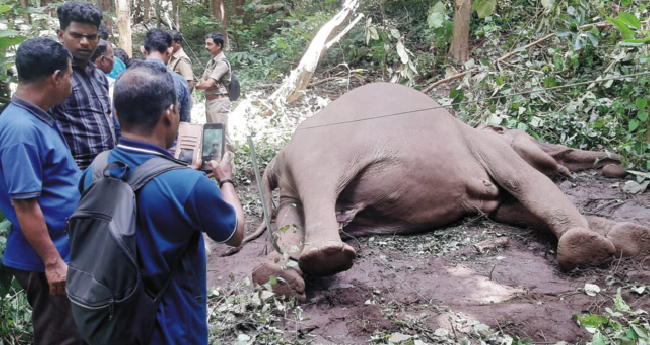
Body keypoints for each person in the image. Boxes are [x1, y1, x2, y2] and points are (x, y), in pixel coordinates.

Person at [79, 63, 245, 344]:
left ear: (116, 115)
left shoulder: (94, 170)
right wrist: (225, 181)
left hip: (111, 320)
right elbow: (234, 234)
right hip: (172, 326)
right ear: (170, 113)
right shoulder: (190, 185)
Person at [0, 38, 85, 345]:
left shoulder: (37, 117)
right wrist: (52, 263)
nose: (73, 80)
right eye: (71, 73)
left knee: (76, 332)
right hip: (47, 259)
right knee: (61, 336)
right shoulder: (21, 130)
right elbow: (24, 204)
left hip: (64, 250)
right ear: (56, 78)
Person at [50, 1, 116, 171]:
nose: (85, 42)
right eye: (77, 35)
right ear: (61, 35)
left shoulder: (99, 76)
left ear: (98, 39)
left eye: (91, 37)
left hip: (104, 171)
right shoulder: (54, 76)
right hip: (73, 173)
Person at [141, 29, 191, 123]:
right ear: (169, 51)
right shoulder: (179, 82)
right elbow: (185, 122)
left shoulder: (125, 78)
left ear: (143, 50)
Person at [196, 33, 234, 155]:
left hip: (219, 102)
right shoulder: (210, 62)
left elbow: (207, 84)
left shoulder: (222, 62)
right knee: (212, 135)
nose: (206, 46)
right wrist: (203, 84)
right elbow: (203, 81)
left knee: (223, 135)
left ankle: (229, 166)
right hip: (210, 101)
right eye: (206, 43)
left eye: (209, 44)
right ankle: (213, 165)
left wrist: (204, 84)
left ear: (218, 45)